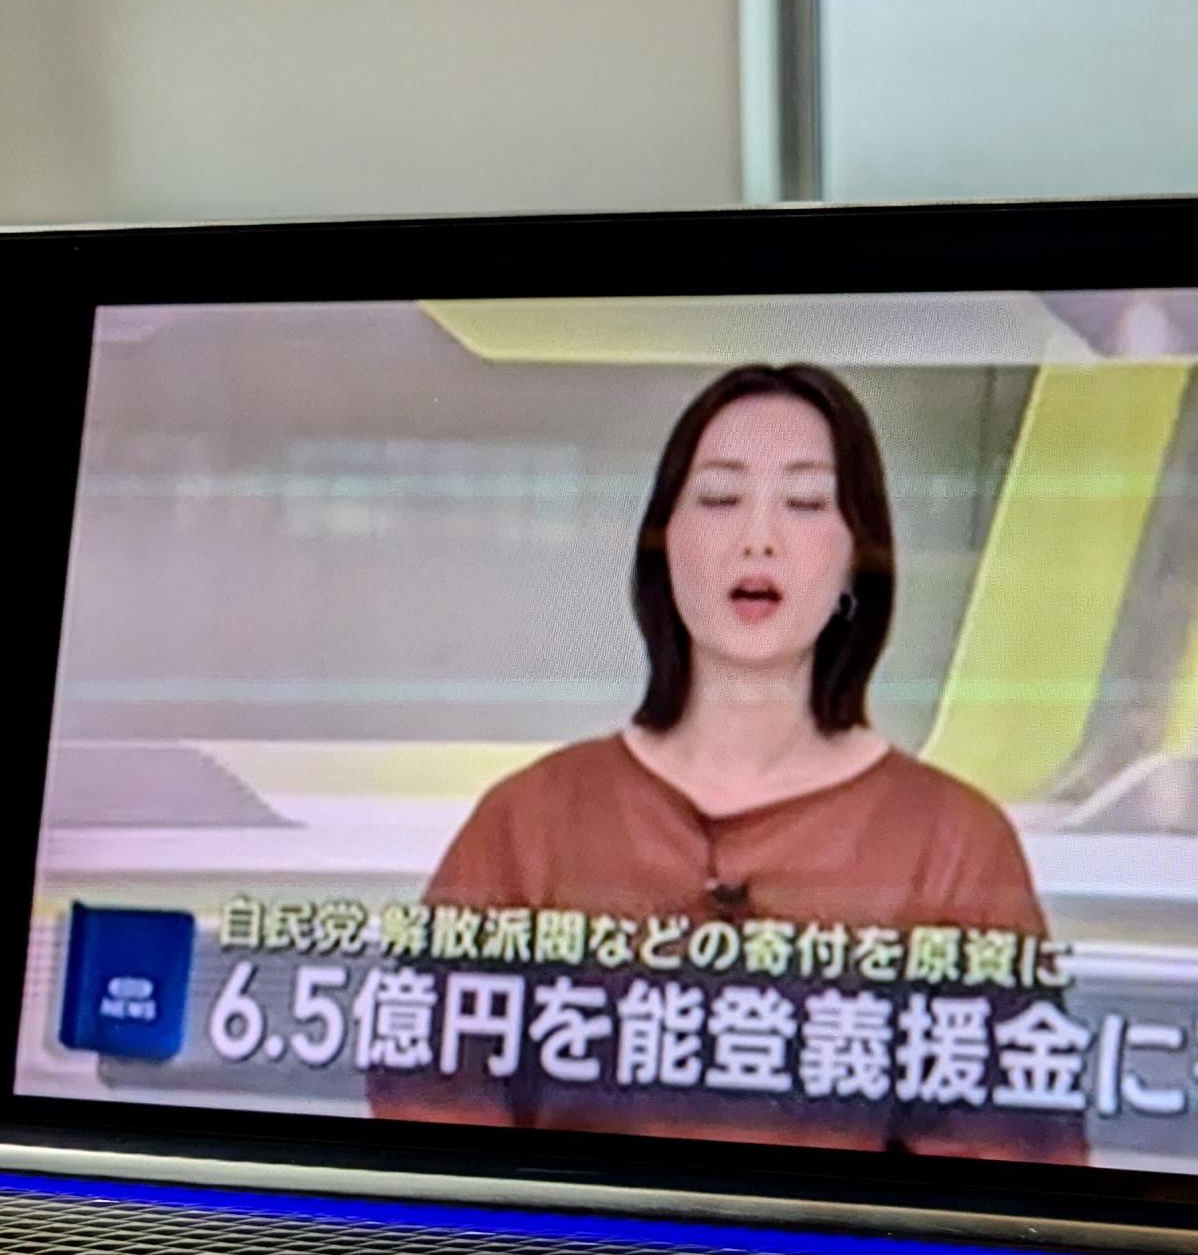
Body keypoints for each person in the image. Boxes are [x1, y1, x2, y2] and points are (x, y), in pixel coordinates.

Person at [371, 363, 1082, 1162]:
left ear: (857, 555)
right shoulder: (531, 819)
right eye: (719, 499)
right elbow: (425, 1098)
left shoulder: (954, 842)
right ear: (664, 543)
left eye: (805, 503)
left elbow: (1010, 1164)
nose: (758, 539)